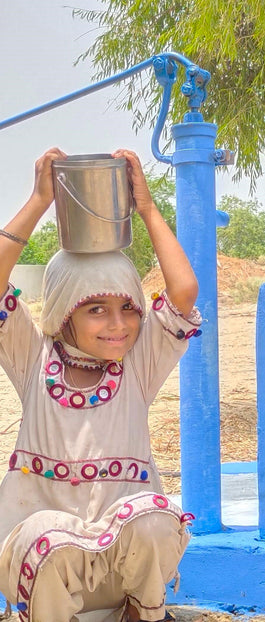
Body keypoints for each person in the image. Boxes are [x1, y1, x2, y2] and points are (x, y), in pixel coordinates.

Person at [0, 148, 201, 621]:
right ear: (65, 312)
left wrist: (147, 209)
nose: (119, 325)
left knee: (154, 516)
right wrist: (39, 201)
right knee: (45, 530)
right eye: (97, 309)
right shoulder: (33, 358)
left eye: (128, 307)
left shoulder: (137, 365)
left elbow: (184, 292)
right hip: (45, 568)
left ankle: (142, 614)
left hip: (116, 573)